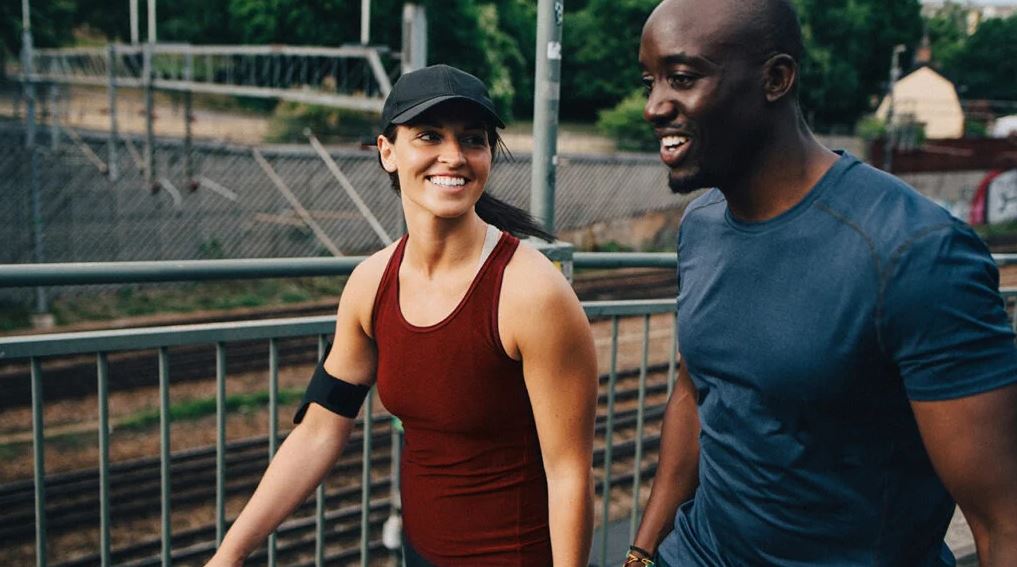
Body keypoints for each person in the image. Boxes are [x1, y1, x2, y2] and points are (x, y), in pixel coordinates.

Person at [625, 1, 1017, 566]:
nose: (654, 107)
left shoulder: (917, 254)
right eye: (651, 82)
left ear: (776, 79)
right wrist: (641, 553)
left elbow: (1003, 522)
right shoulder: (701, 225)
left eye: (682, 78)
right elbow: (695, 393)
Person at [207, 64, 598, 567]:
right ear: (387, 152)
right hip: (419, 553)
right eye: (429, 135)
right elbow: (319, 429)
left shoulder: (532, 293)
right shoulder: (371, 285)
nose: (453, 156)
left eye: (473, 139)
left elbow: (569, 473)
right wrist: (229, 554)